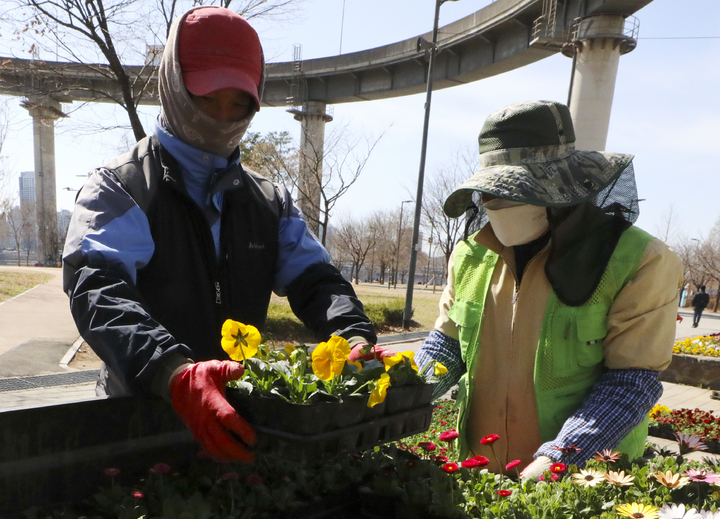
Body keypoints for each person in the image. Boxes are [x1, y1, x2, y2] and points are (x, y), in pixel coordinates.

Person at [63, 7, 380, 463]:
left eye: (239, 103)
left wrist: (352, 337)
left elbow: (317, 281)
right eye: (207, 99)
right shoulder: (122, 187)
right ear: (173, 85)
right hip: (142, 416)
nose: (222, 117)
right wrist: (173, 371)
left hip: (239, 417)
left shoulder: (268, 201)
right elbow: (98, 288)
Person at [416, 100, 683, 480]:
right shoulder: (471, 253)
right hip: (482, 469)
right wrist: (398, 390)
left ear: (563, 183)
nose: (500, 205)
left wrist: (561, 456)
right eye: (494, 194)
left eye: (520, 190)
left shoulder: (641, 259)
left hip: (586, 481)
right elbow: (447, 345)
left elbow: (632, 380)